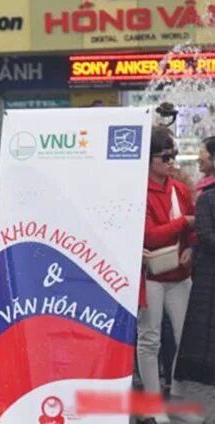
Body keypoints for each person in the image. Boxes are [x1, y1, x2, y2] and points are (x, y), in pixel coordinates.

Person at [138, 126, 196, 424]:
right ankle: (152, 404)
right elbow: (149, 236)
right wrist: (183, 224)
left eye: (173, 156)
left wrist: (190, 248)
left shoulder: (180, 189)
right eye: (165, 156)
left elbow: (194, 229)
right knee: (150, 341)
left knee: (184, 339)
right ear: (149, 160)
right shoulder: (141, 191)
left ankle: (175, 399)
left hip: (179, 274)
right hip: (152, 276)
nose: (171, 161)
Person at [174, 136, 215, 423]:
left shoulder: (206, 195)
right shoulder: (205, 195)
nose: (199, 158)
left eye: (203, 154)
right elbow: (205, 233)